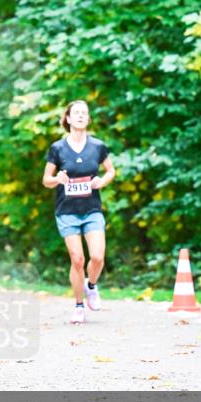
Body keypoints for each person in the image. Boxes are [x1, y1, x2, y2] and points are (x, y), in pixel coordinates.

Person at [42, 100, 115, 324]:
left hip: (91, 209)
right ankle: (78, 306)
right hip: (67, 211)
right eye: (77, 113)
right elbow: (46, 180)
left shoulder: (97, 146)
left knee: (97, 257)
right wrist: (57, 179)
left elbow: (110, 170)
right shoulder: (57, 148)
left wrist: (101, 181)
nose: (81, 116)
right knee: (77, 259)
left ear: (88, 119)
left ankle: (91, 286)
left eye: (85, 113)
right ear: (68, 119)